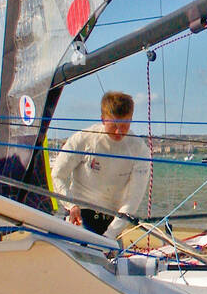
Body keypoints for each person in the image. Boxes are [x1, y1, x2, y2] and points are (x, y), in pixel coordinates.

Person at [51, 91, 150, 239]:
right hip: (80, 215)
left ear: (131, 119)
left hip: (114, 222)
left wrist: (110, 234)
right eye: (114, 125)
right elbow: (57, 175)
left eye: (124, 125)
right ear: (103, 119)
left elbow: (133, 199)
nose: (118, 131)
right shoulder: (83, 139)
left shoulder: (139, 149)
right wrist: (70, 205)